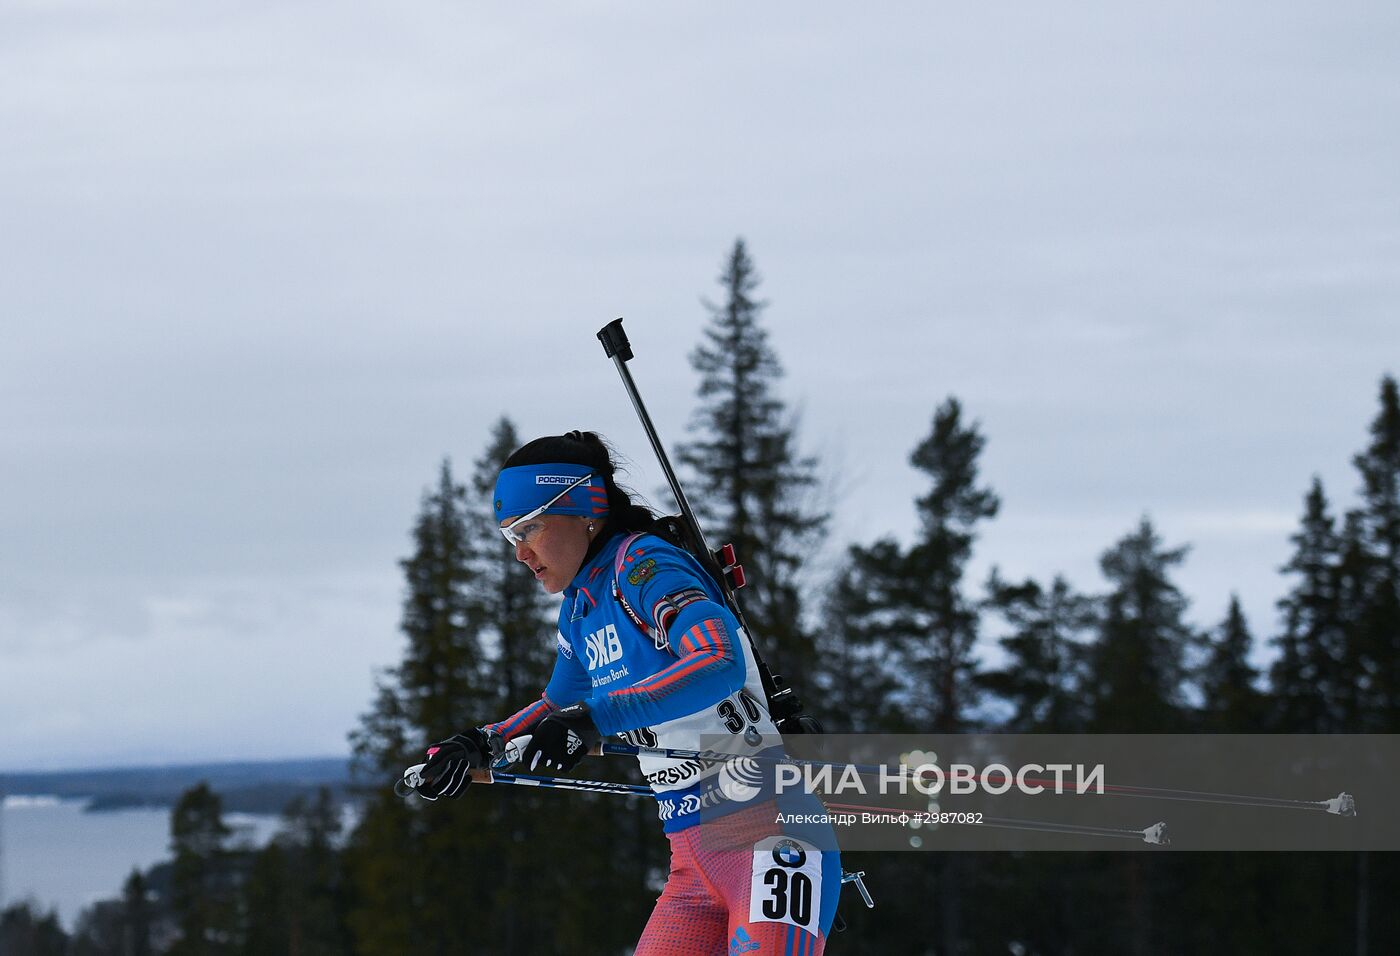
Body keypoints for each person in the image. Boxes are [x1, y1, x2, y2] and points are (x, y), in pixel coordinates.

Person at [415, 430, 841, 955]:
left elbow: (718, 662)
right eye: (510, 536)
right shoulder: (580, 607)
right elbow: (556, 705)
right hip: (691, 856)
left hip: (772, 835)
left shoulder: (644, 568)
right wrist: (480, 742)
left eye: (530, 528)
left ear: (584, 508)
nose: (521, 553)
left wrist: (595, 719)